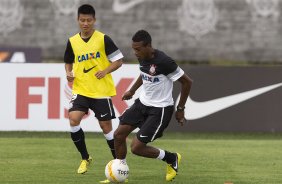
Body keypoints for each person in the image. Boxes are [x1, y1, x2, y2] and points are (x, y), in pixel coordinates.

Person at [114, 30, 193, 181]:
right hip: (142, 103)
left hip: (160, 110)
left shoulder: (164, 62)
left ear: (148, 46)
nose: (135, 53)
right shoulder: (142, 57)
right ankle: (120, 171)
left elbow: (187, 82)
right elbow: (144, 73)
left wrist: (180, 109)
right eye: (133, 49)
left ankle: (171, 158)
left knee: (136, 148)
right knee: (118, 135)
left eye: (138, 49)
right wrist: (132, 90)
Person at [64, 4, 123, 175]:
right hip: (81, 89)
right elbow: (68, 61)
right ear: (78, 20)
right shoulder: (72, 41)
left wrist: (105, 71)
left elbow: (118, 61)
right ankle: (85, 157)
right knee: (73, 119)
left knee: (106, 128)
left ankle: (119, 164)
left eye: (89, 20)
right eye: (82, 20)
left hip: (101, 91)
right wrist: (68, 72)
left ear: (94, 20)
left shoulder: (103, 39)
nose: (85, 23)